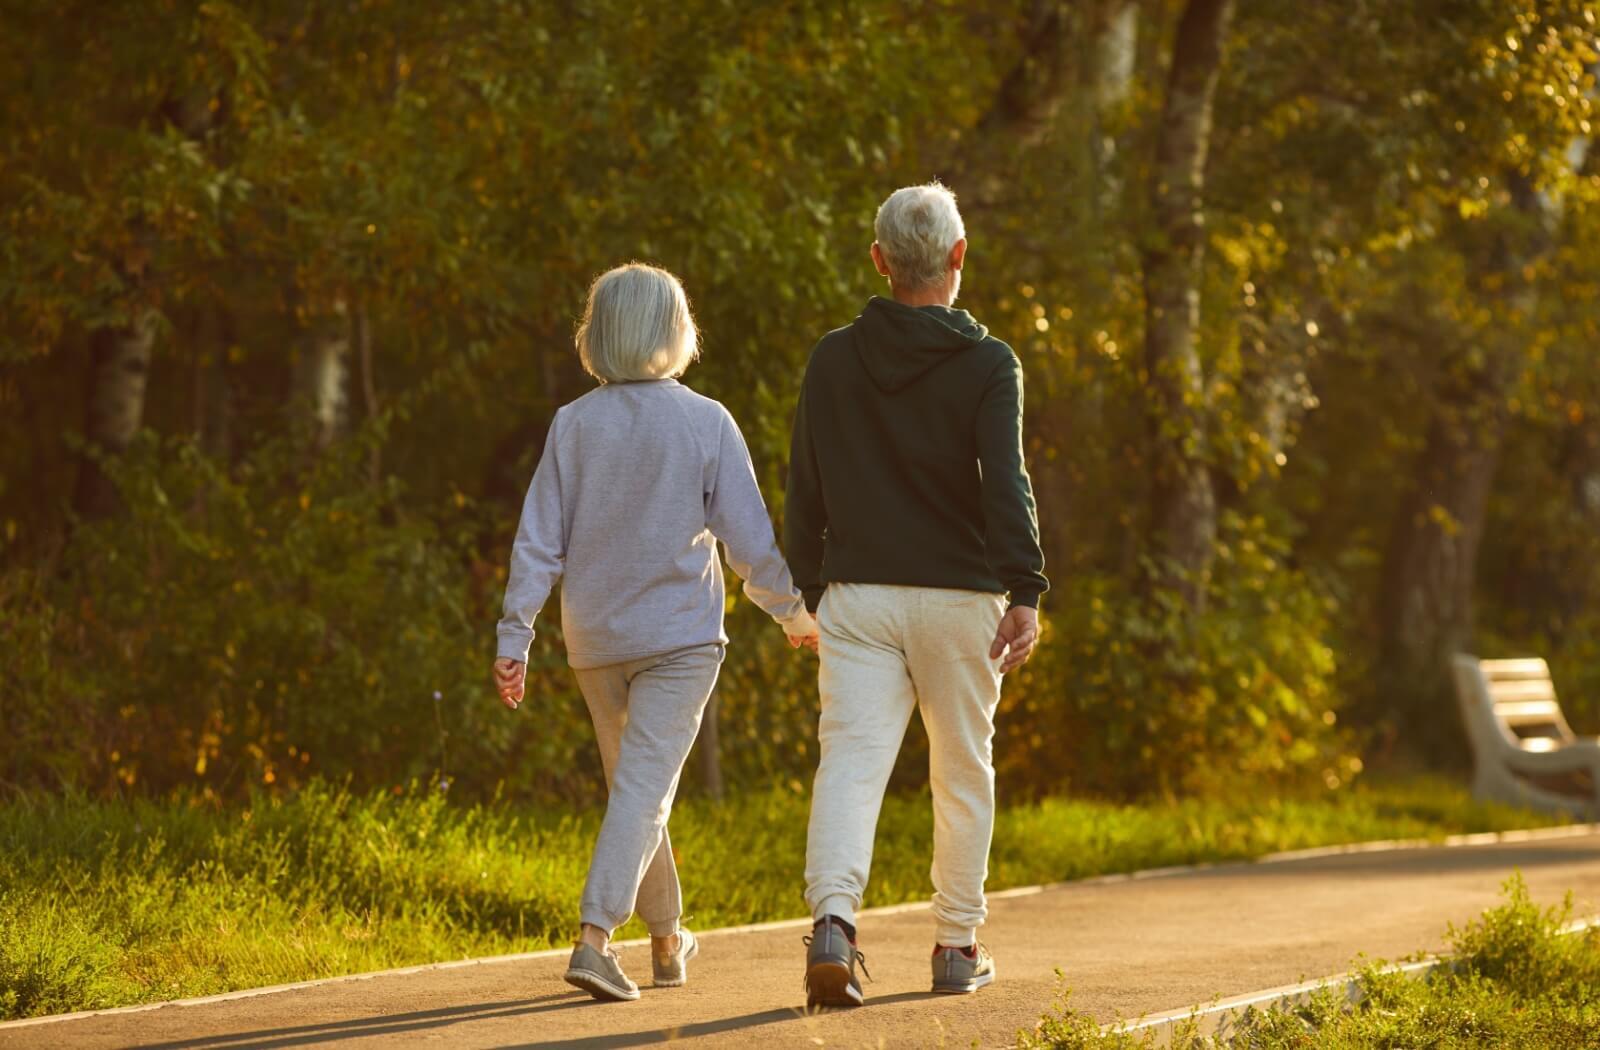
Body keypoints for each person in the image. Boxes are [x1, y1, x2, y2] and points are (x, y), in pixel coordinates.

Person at [493, 262, 819, 1003]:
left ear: (599, 334)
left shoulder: (573, 424)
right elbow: (750, 542)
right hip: (679, 641)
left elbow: (538, 541)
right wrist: (794, 614)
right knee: (643, 791)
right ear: (675, 331)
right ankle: (594, 938)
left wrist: (517, 636)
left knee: (639, 789)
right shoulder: (706, 420)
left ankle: (668, 940)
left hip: (596, 641)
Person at [786, 182, 1048, 1007]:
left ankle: (833, 926)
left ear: (879, 261)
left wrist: (806, 588)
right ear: (958, 258)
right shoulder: (988, 361)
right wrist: (1026, 587)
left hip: (858, 596)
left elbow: (806, 481)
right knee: (962, 772)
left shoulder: (834, 356)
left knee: (851, 765)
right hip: (960, 598)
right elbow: (1005, 483)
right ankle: (955, 947)